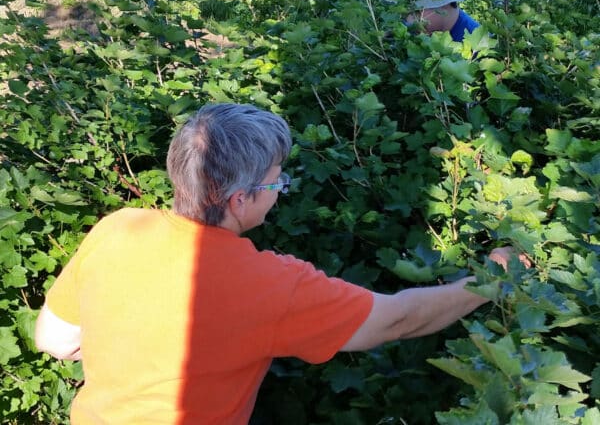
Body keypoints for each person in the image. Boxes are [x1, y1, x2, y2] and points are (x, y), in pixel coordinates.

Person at [36, 103, 522, 425]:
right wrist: (490, 278)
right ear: (241, 199)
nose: (280, 192)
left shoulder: (118, 228)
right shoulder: (271, 285)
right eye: (276, 183)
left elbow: (54, 341)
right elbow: (396, 319)